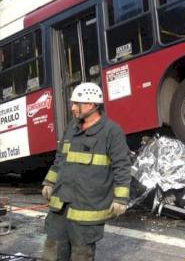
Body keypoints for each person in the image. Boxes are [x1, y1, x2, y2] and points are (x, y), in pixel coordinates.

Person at [41, 82, 131, 261]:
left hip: (87, 208)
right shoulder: (71, 128)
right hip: (60, 206)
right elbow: (60, 159)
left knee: (81, 255)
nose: (73, 108)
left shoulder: (111, 132)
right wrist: (49, 182)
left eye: (77, 104)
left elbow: (122, 165)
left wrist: (121, 198)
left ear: (91, 105)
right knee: (52, 253)